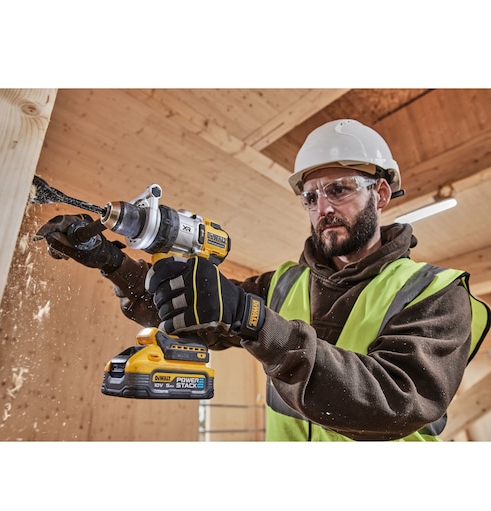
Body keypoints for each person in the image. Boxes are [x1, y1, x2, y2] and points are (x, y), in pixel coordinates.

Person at [36, 118, 490, 442]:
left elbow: (397, 402)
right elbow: (186, 309)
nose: (322, 208)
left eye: (339, 189)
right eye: (311, 197)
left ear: (382, 194)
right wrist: (112, 263)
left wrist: (256, 321)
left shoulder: (436, 292)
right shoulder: (284, 283)